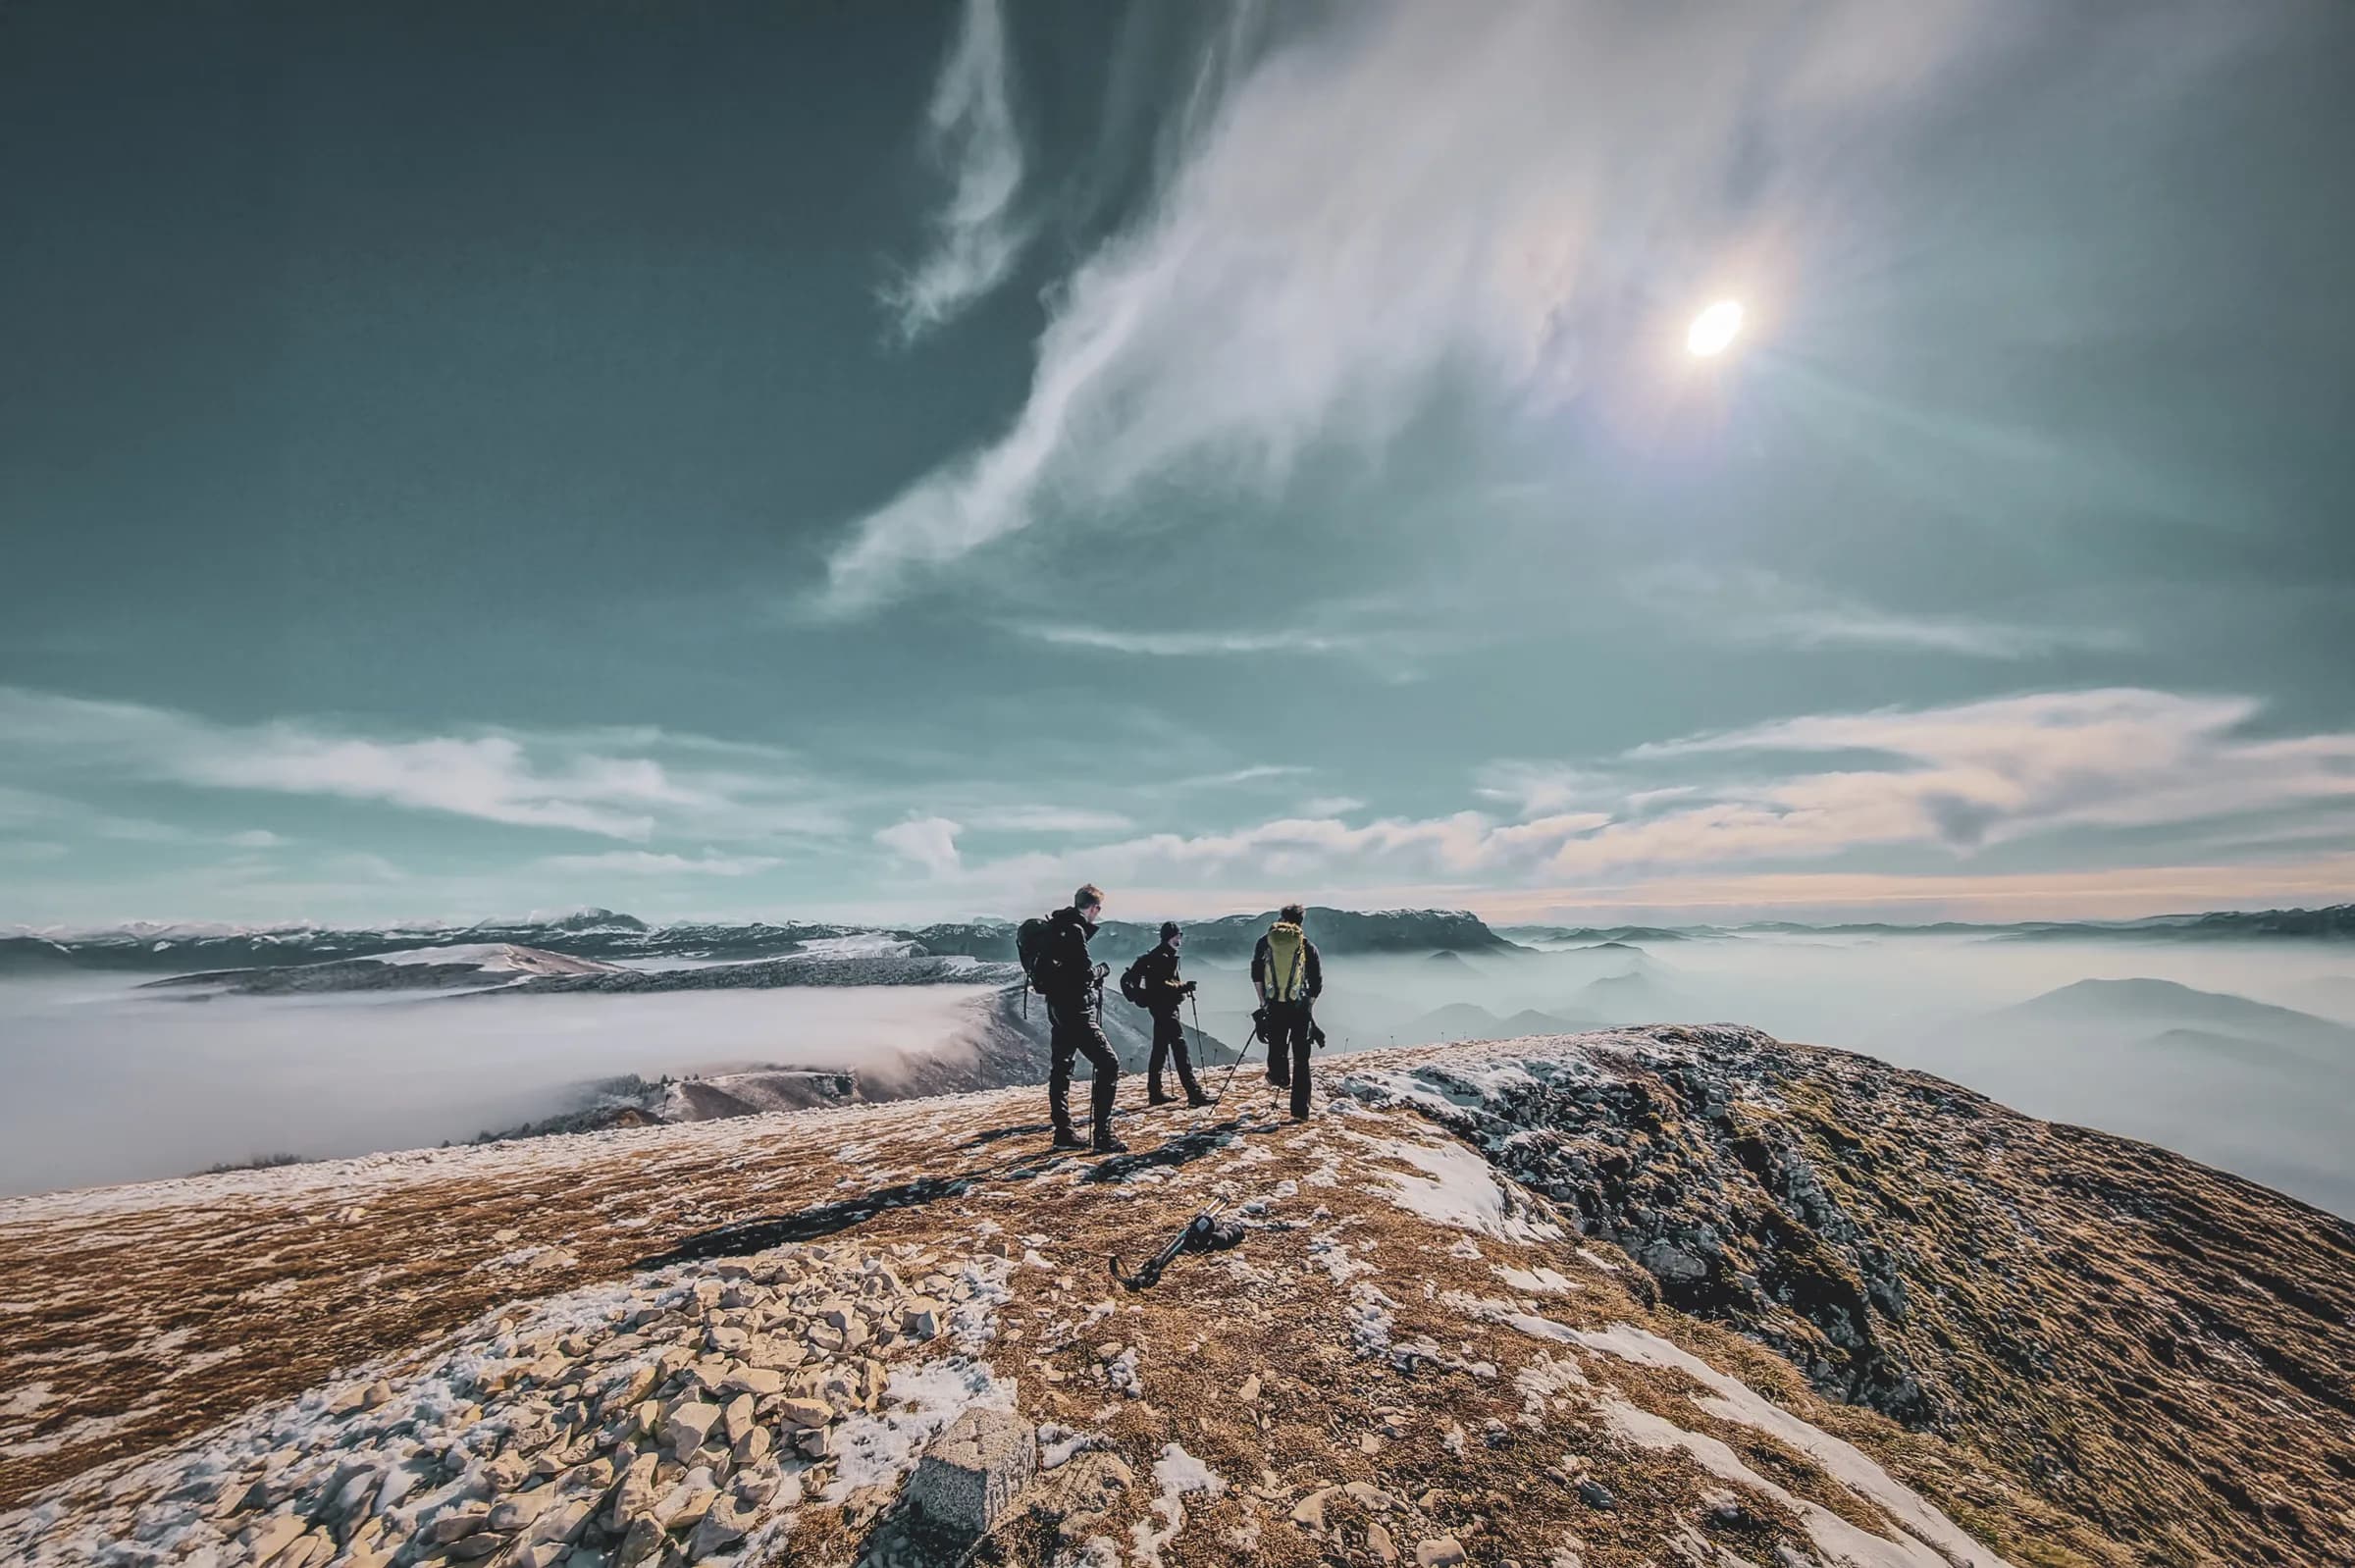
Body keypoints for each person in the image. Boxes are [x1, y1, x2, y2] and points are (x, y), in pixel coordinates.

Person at [1036, 883, 1126, 1154]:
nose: (1098, 915)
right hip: (1076, 1010)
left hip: (1056, 1008)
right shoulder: (1074, 931)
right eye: (1098, 910)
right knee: (1109, 1064)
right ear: (1094, 907)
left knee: (1061, 1068)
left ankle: (1064, 1132)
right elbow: (1085, 973)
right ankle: (1103, 1135)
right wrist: (1103, 970)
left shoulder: (1055, 927)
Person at [1251, 903, 1324, 1121]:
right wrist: (1308, 1008)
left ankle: (1280, 1077)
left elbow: (1256, 974)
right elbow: (1317, 983)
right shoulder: (1306, 946)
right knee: (1301, 1058)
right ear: (1301, 922)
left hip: (1274, 1005)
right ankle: (1300, 1111)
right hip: (1299, 1006)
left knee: (1277, 1046)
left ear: (1281, 919)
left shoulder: (1265, 943)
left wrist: (1263, 1002)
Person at [1125, 921, 1209, 1108]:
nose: (1180, 939)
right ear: (1172, 936)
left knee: (1160, 1049)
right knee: (1180, 1048)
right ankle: (1193, 1092)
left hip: (1160, 1007)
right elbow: (1161, 985)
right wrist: (1184, 987)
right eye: (1179, 935)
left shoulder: (1161, 954)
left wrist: (1180, 987)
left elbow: (1161, 983)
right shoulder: (1161, 956)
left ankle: (1155, 1093)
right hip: (1165, 1008)